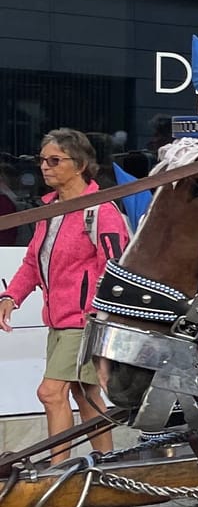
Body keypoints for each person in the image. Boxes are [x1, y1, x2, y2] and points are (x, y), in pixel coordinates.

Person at [0, 129, 129, 454]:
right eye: (41, 160)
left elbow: (115, 273)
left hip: (83, 322)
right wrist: (10, 296)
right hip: (61, 320)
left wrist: (102, 321)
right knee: (85, 396)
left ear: (81, 164)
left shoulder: (102, 211)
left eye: (54, 160)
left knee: (51, 392)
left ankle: (59, 472)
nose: (44, 167)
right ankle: (106, 461)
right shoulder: (51, 209)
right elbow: (33, 261)